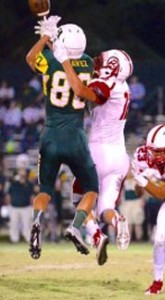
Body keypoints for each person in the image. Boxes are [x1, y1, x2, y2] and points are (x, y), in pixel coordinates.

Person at [52, 32, 133, 261]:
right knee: (105, 207)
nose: (99, 62)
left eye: (105, 60)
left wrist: (64, 60)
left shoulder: (107, 83)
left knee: (79, 200)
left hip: (98, 152)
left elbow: (83, 91)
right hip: (119, 156)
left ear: (113, 67)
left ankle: (95, 234)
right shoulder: (124, 87)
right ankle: (116, 221)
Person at [26, 16, 99, 259]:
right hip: (75, 136)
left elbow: (30, 59)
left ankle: (37, 221)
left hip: (50, 135)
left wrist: (46, 37)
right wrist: (53, 41)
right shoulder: (88, 63)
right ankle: (76, 226)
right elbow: (67, 60)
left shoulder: (49, 61)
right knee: (91, 188)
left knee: (45, 189)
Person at [132, 123, 165, 296]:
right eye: (152, 150)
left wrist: (144, 181)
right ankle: (157, 282)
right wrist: (139, 177)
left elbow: (161, 193)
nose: (154, 155)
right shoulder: (144, 156)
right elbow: (138, 192)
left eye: (160, 151)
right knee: (160, 238)